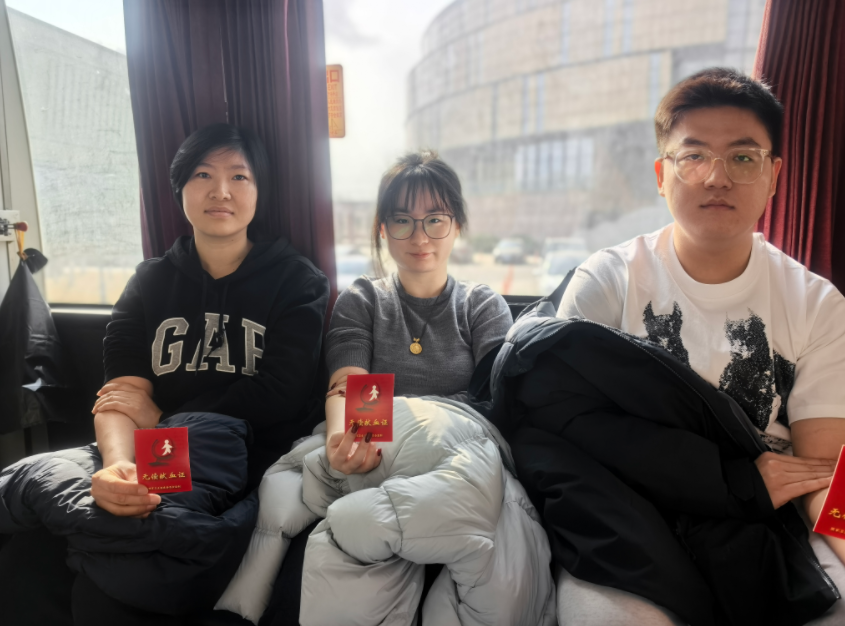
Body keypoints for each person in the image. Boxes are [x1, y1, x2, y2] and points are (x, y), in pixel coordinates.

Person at [0, 123, 330, 626]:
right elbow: (120, 393)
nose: (221, 191)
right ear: (179, 189)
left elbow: (279, 395)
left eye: (239, 177)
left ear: (260, 190)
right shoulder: (150, 280)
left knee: (114, 582)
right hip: (147, 451)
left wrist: (160, 418)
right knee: (26, 559)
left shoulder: (297, 280)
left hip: (242, 459)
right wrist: (117, 467)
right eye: (203, 175)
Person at [556, 68, 845, 623]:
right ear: (662, 175)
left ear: (774, 176)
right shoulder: (608, 282)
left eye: (743, 157)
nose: (717, 177)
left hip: (770, 524)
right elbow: (567, 432)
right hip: (630, 515)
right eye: (693, 157)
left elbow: (821, 472)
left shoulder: (816, 304)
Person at [258, 151, 514, 626]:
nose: (419, 236)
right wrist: (342, 440)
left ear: (456, 225)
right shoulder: (363, 299)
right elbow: (347, 381)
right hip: (374, 456)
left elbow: (494, 400)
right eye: (402, 221)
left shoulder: (482, 305)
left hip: (453, 459)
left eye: (435, 219)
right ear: (382, 228)